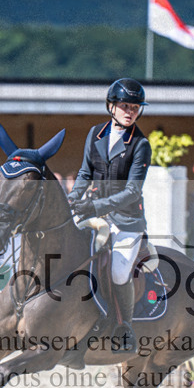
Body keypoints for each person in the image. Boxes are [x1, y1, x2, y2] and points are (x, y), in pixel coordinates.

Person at [67, 77, 152, 353]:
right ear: (111, 106)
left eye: (135, 107)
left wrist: (94, 207)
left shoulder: (140, 145)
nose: (130, 111)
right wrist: (72, 199)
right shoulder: (95, 134)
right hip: (98, 217)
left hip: (127, 221)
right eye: (125, 106)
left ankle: (124, 327)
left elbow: (132, 192)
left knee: (117, 272)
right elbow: (84, 173)